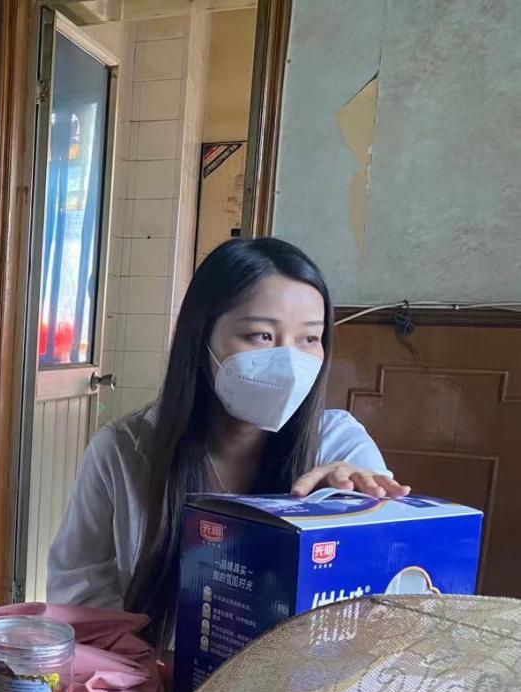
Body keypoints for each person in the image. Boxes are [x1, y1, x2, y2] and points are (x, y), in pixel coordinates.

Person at [46, 237, 409, 646]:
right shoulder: (123, 450)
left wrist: (354, 508)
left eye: (309, 338)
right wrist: (144, 664)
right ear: (201, 338)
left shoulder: (338, 443)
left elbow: (387, 586)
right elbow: (77, 587)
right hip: (153, 677)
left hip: (294, 678)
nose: (290, 362)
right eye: (260, 335)